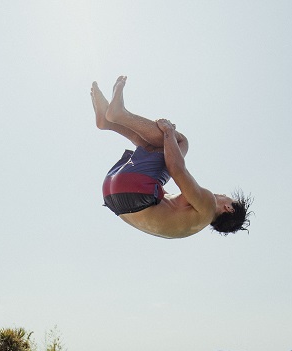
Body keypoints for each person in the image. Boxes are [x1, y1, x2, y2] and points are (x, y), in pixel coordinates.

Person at [92, 76, 251, 238]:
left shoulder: (208, 205)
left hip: (135, 191)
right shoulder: (189, 222)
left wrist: (168, 131)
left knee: (181, 142)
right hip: (113, 196)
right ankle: (109, 123)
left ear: (228, 208)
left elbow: (177, 169)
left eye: (228, 198)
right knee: (155, 148)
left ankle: (119, 115)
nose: (223, 194)